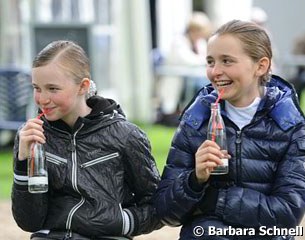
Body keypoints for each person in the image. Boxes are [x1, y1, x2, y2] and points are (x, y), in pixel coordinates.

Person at [154, 20, 305, 240]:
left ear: (260, 66)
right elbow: (166, 213)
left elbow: (287, 216)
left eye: (227, 61)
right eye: (210, 61)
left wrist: (214, 200)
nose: (215, 71)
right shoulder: (195, 122)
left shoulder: (290, 126)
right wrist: (194, 180)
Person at [12, 40, 162, 240]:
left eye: (53, 89)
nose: (42, 99)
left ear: (82, 86)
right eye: (37, 88)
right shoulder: (30, 136)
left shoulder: (126, 136)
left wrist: (122, 222)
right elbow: (28, 221)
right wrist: (23, 163)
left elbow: (157, 205)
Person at [156, 11, 212, 126]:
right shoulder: (179, 41)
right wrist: (206, 60)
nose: (201, 35)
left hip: (192, 80)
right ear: (193, 30)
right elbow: (189, 60)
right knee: (172, 104)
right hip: (175, 79)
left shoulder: (200, 42)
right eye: (200, 32)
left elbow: (204, 57)